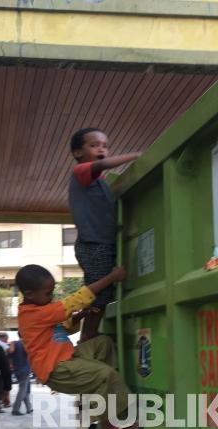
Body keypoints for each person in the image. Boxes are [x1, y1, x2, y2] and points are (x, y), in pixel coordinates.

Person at [15, 264, 140, 429]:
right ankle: (112, 426)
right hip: (57, 369)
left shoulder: (40, 311)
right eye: (48, 294)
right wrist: (111, 278)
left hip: (69, 358)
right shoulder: (32, 314)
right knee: (106, 375)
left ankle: (101, 397)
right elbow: (74, 300)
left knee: (103, 344)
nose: (51, 298)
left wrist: (78, 317)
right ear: (30, 294)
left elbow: (62, 328)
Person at [68, 128, 141, 341]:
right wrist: (136, 155)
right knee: (99, 295)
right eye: (94, 145)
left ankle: (87, 327)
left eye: (105, 145)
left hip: (102, 243)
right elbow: (102, 165)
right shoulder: (81, 172)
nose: (101, 149)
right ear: (78, 153)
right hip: (93, 244)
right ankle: (88, 337)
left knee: (103, 296)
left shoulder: (101, 183)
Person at [9, 339, 33, 415]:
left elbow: (10, 354)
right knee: (22, 390)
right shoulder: (26, 343)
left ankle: (29, 408)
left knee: (24, 389)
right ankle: (15, 409)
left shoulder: (14, 343)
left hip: (17, 370)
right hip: (25, 369)